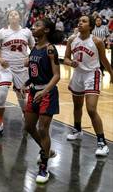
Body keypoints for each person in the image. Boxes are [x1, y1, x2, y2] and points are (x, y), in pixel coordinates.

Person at [64, 15, 113, 157]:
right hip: (78, 74)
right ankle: (77, 130)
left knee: (91, 109)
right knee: (77, 106)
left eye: (84, 21)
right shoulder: (72, 40)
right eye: (79, 21)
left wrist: (111, 73)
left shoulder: (97, 41)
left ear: (90, 26)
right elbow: (66, 58)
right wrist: (69, 63)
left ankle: (102, 143)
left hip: (92, 74)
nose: (80, 23)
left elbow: (104, 59)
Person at [24, 18, 62, 184]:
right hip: (34, 91)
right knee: (29, 127)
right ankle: (46, 150)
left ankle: (44, 167)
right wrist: (27, 84)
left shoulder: (50, 49)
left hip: (47, 92)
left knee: (43, 128)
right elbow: (34, 71)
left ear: (46, 30)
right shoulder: (34, 47)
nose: (34, 27)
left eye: (38, 25)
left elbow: (56, 75)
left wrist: (44, 90)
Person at [0, 9, 35, 137]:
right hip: (6, 67)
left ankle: (25, 115)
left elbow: (34, 48)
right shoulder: (2, 32)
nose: (13, 16)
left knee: (21, 96)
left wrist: (30, 57)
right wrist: (0, 59)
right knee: (2, 93)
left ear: (19, 17)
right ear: (8, 19)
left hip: (21, 68)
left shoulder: (26, 32)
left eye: (16, 14)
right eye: (11, 14)